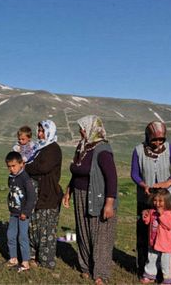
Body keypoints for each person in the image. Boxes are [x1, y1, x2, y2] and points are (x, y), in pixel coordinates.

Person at [131, 121, 171, 283]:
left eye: (161, 139)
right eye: (154, 140)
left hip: (167, 200)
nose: (158, 143)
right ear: (148, 137)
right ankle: (146, 268)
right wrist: (143, 185)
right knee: (146, 234)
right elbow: (134, 174)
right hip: (146, 200)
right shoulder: (138, 151)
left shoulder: (170, 148)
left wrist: (168, 182)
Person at [62, 115, 118, 285]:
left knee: (100, 235)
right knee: (83, 231)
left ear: (91, 129)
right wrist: (68, 191)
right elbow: (76, 171)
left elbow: (112, 178)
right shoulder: (82, 147)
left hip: (98, 196)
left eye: (83, 128)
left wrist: (109, 204)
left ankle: (101, 273)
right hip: (80, 194)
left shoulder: (103, 150)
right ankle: (86, 266)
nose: (80, 131)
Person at [25, 119, 62, 269]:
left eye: (42, 131)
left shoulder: (53, 149)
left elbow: (42, 167)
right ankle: (33, 255)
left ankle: (46, 261)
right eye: (39, 131)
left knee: (46, 228)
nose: (39, 134)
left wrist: (27, 166)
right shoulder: (39, 148)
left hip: (48, 193)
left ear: (49, 132)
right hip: (37, 193)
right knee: (34, 225)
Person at [5, 151, 36, 272]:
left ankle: (25, 262)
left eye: (14, 166)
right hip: (13, 212)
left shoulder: (25, 178)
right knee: (10, 235)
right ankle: (13, 258)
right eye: (9, 166)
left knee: (22, 237)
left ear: (21, 164)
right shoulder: (11, 177)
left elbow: (32, 196)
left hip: (23, 214)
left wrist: (26, 212)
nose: (11, 169)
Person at [140, 189, 171, 284]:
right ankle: (150, 275)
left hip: (165, 243)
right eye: (155, 200)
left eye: (160, 201)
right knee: (151, 259)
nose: (157, 203)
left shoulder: (169, 213)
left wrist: (161, 215)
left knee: (166, 261)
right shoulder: (153, 212)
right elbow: (149, 222)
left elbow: (170, 225)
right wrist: (146, 217)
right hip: (153, 241)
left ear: (167, 202)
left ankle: (169, 280)